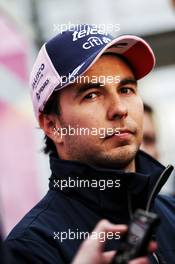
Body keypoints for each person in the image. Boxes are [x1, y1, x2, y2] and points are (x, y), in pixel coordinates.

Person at [5, 25, 175, 263]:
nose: (119, 109)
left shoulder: (172, 212)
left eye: (126, 89)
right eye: (92, 95)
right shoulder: (30, 248)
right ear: (53, 126)